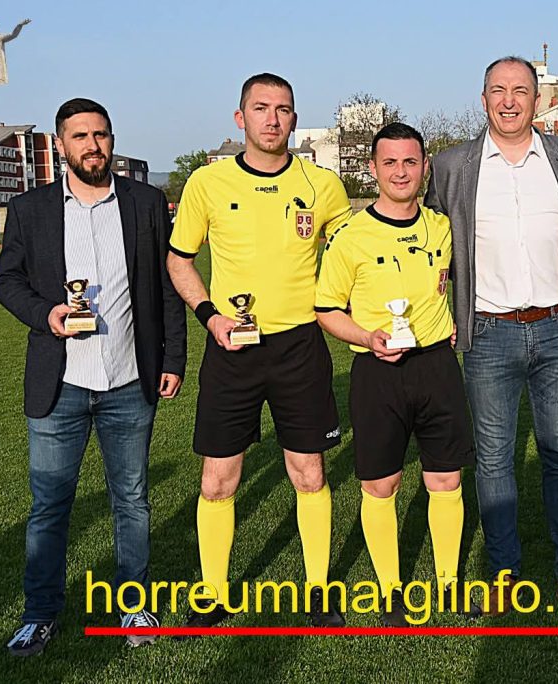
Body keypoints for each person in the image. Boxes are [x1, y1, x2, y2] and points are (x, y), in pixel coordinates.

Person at [0, 98, 187, 655]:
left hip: (129, 379)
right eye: (79, 136)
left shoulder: (146, 202)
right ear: (61, 145)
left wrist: (173, 359)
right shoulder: (29, 208)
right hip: (60, 385)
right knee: (50, 505)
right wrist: (45, 314)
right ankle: (40, 613)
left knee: (132, 500)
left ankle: (134, 606)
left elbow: (167, 287)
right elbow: (7, 281)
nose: (92, 145)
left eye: (100, 135)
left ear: (112, 140)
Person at [423, 56, 558, 617]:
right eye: (499, 91)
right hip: (488, 333)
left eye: (521, 91)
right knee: (494, 459)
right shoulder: (452, 166)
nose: (509, 101)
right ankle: (504, 572)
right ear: (483, 99)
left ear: (537, 100)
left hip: (557, 329)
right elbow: (428, 240)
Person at [166, 73, 351, 628]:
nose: (272, 119)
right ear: (239, 117)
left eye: (283, 109)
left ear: (294, 118)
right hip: (232, 347)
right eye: (261, 107)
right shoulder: (207, 182)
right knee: (217, 480)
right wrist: (210, 316)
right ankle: (213, 594)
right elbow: (179, 260)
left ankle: (317, 592)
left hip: (300, 346)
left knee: (309, 473)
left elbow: (354, 254)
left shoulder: (323, 185)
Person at [315, 122, 480, 626]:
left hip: (436, 367)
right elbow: (326, 308)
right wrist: (367, 337)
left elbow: (456, 280)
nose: (401, 172)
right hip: (377, 372)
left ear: (425, 167)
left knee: (446, 479)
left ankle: (448, 585)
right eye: (390, 162)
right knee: (381, 485)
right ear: (373, 169)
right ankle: (390, 592)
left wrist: (453, 319)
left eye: (410, 162)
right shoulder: (350, 236)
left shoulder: (442, 227)